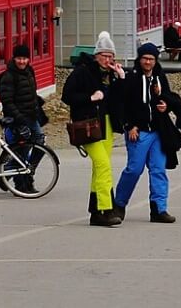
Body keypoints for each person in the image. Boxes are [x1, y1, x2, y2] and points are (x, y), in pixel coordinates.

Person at [62, 32, 124, 226]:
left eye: (110, 56)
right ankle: (106, 209)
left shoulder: (111, 75)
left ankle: (96, 212)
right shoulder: (83, 71)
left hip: (106, 125)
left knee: (99, 169)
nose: (108, 60)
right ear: (96, 55)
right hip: (88, 125)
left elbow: (120, 100)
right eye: (104, 56)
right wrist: (90, 98)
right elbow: (67, 95)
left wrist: (121, 78)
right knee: (104, 166)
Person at [113, 42, 177, 223]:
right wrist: (129, 125)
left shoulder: (160, 78)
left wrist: (166, 105)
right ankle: (119, 205)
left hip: (158, 131)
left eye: (151, 59)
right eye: (145, 59)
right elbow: (122, 104)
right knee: (134, 169)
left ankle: (159, 209)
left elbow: (168, 97)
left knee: (158, 170)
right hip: (138, 132)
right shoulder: (131, 79)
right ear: (139, 59)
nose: (148, 62)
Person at [0, 44, 44, 194]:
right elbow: (7, 101)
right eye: (19, 58)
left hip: (31, 116)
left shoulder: (30, 71)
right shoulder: (9, 76)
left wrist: (37, 106)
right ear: (14, 58)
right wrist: (19, 118)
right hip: (17, 119)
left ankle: (7, 173)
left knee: (40, 143)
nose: (22, 61)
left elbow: (31, 93)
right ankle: (23, 184)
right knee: (21, 151)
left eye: (25, 58)